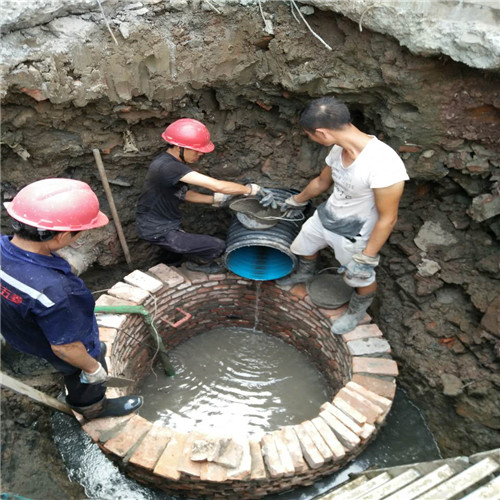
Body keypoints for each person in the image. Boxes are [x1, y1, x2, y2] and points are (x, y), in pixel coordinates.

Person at [1, 178, 143, 420]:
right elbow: (65, 347)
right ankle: (92, 407)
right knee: (85, 370)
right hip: (53, 346)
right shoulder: (58, 291)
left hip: (18, 330)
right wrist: (92, 368)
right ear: (63, 235)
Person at [278, 97, 409, 334]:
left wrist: (367, 258)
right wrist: (295, 201)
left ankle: (357, 311)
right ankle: (304, 274)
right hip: (327, 216)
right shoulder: (338, 149)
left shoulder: (383, 164)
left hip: (354, 231)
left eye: (311, 135)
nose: (311, 139)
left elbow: (388, 218)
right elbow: (321, 182)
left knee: (360, 278)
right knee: (305, 245)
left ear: (323, 133)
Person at [136, 118, 276, 274]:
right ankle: (199, 265)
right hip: (157, 230)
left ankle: (176, 260)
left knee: (178, 249)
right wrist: (251, 190)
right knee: (217, 246)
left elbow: (182, 194)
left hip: (163, 222)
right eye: (196, 150)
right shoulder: (168, 167)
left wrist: (214, 200)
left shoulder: (169, 163)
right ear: (178, 147)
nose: (201, 153)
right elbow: (217, 185)